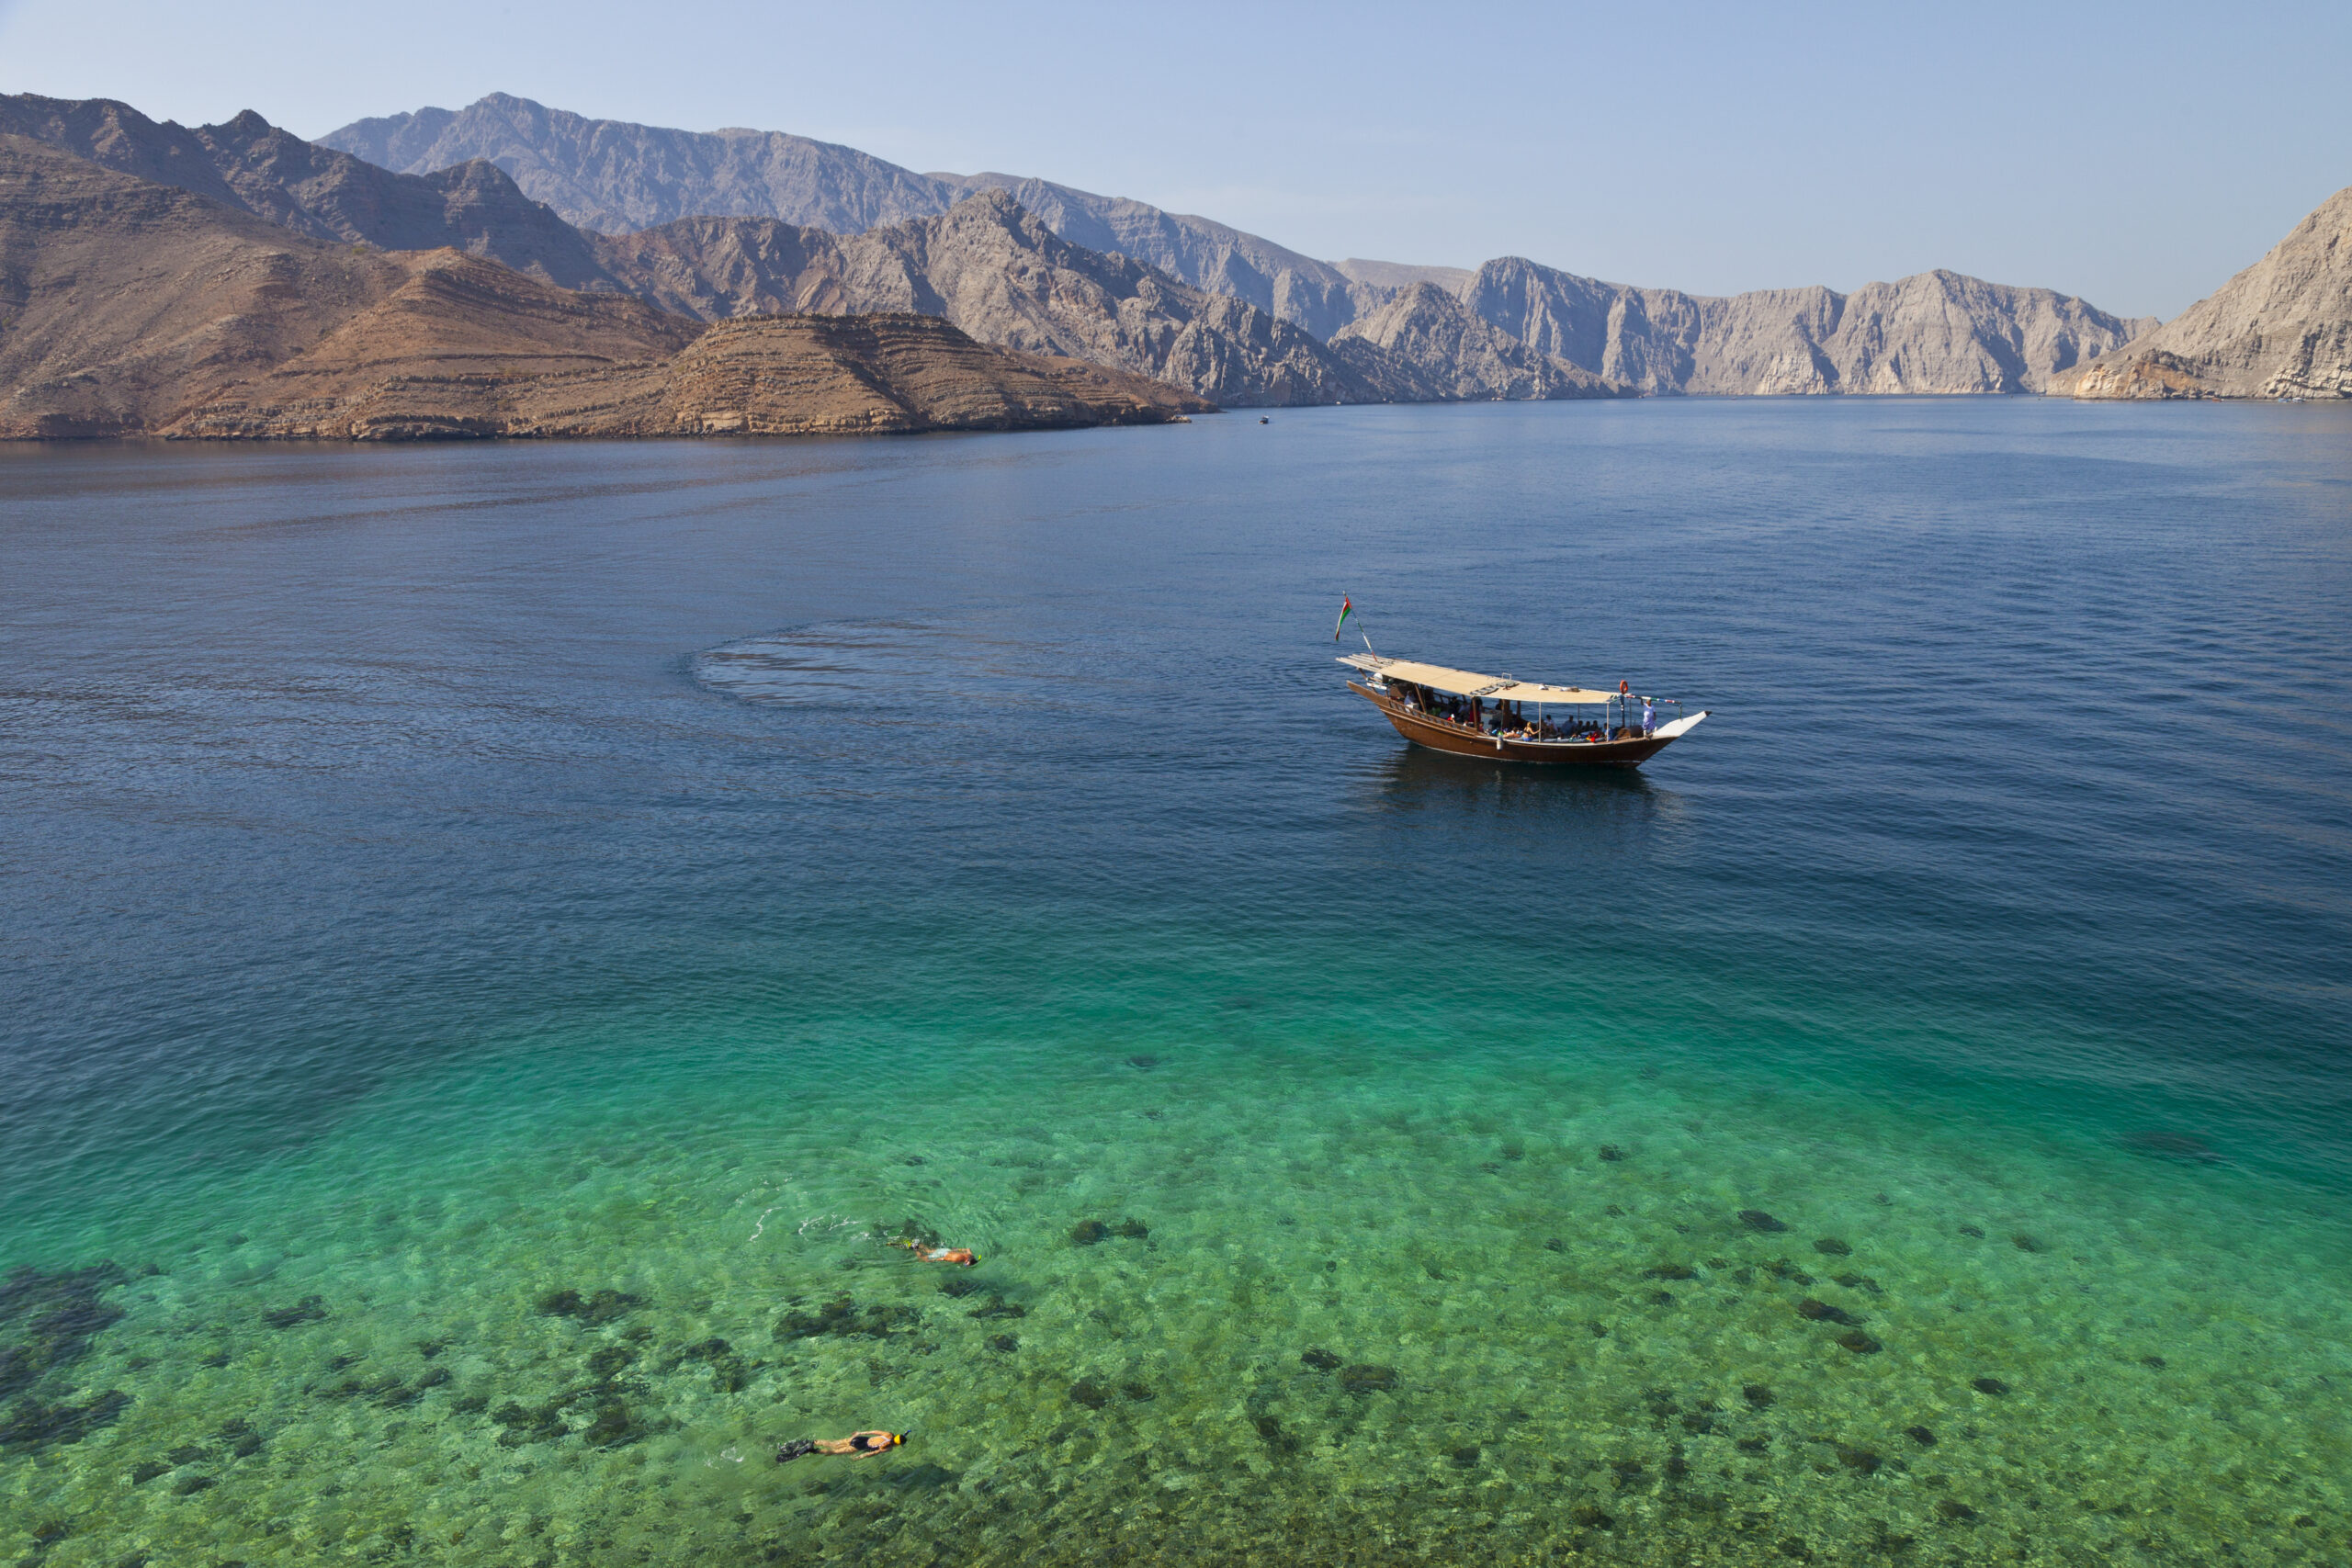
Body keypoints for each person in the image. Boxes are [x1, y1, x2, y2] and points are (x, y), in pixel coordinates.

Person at [777, 1430, 905, 1461]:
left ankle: (812, 1442)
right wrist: (860, 1457)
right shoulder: (888, 1447)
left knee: (833, 1443)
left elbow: (874, 1431)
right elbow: (874, 1453)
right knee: (834, 1452)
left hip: (859, 1439)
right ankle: (812, 1450)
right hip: (859, 1448)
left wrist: (860, 1433)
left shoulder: (888, 1434)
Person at [890, 1238, 978, 1266]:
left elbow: (967, 1249)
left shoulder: (970, 1255)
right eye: (967, 1264)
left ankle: (919, 1244)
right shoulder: (957, 1259)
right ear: (967, 1261)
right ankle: (915, 1248)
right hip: (943, 1254)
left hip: (947, 1250)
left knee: (929, 1250)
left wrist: (957, 1250)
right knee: (922, 1259)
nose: (966, 1265)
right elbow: (944, 1258)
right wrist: (934, 1260)